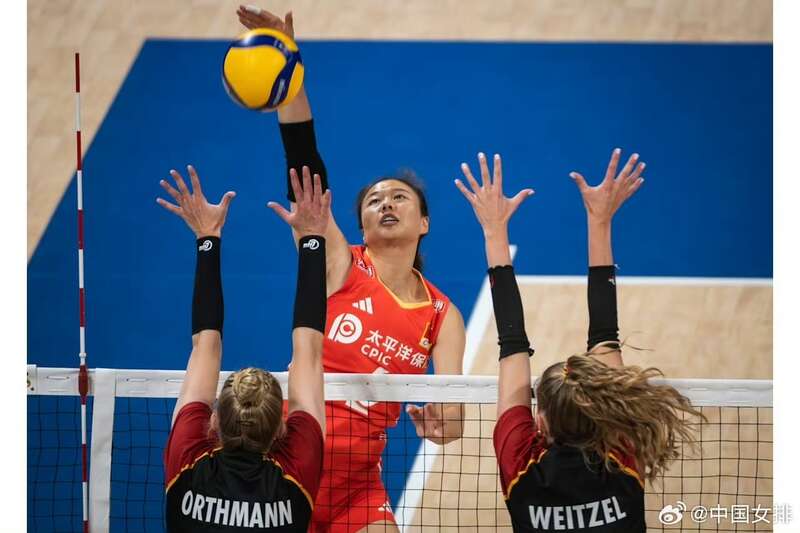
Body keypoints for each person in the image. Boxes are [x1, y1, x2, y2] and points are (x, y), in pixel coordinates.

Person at [236, 6, 466, 533]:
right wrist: (289, 74)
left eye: (399, 197)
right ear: (360, 224)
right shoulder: (341, 264)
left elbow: (454, 412)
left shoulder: (441, 315)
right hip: (287, 467)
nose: (385, 203)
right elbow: (304, 166)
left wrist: (443, 423)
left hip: (357, 488)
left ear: (424, 222)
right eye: (374, 200)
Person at [456, 149, 703, 532]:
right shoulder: (619, 454)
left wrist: (494, 230)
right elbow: (535, 343)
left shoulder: (525, 467)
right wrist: (600, 220)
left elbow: (518, 344)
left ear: (540, 422)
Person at [158, 164, 331, 532]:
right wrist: (312, 239)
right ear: (281, 427)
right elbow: (310, 351)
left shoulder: (188, 463)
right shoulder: (295, 475)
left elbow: (205, 346)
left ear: (214, 422)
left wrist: (207, 235)